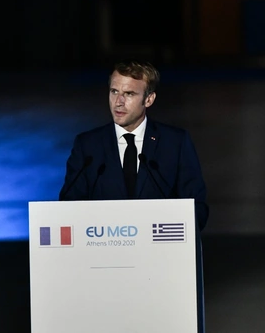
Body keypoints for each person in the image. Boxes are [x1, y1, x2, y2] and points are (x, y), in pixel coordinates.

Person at [59, 59, 208, 331]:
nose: (118, 102)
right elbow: (68, 207)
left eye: (129, 94)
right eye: (114, 91)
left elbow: (198, 208)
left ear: (148, 99)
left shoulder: (175, 142)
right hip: (103, 273)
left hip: (160, 273)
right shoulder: (88, 146)